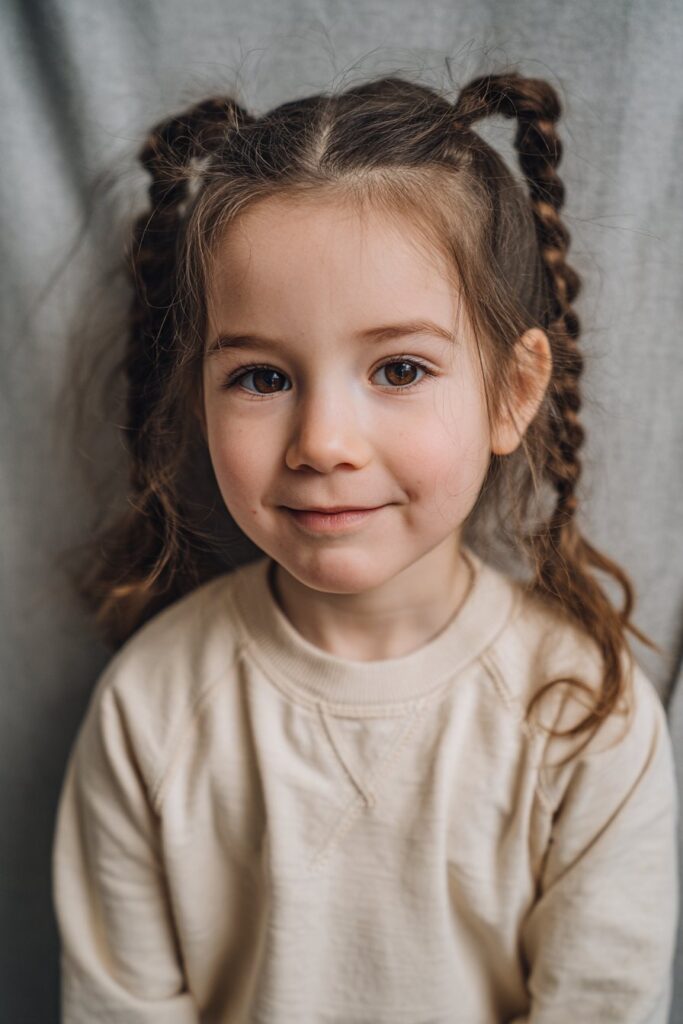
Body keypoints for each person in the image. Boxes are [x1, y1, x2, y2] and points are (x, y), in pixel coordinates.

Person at [51, 69, 679, 1023]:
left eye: (398, 368)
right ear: (196, 394)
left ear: (511, 393)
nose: (322, 443)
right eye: (262, 376)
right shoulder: (152, 708)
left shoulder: (585, 714)